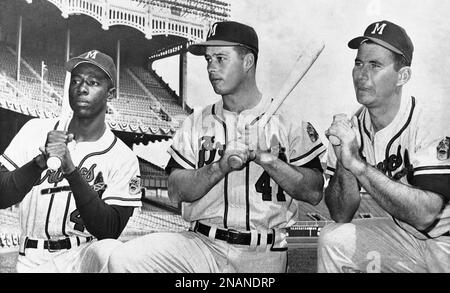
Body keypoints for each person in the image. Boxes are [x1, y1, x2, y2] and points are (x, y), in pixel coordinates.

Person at [108, 21, 326, 273]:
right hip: (202, 245)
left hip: (263, 253)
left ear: (247, 62)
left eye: (221, 58)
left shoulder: (289, 123)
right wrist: (220, 166)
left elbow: (313, 192)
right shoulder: (196, 123)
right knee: (125, 259)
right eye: (209, 59)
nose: (211, 67)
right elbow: (177, 191)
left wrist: (264, 157)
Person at [319, 20, 450, 273]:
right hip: (405, 237)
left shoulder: (431, 120)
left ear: (403, 76)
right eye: (358, 63)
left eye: (375, 65)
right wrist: (344, 165)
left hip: (446, 240)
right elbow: (340, 214)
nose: (361, 74)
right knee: (333, 239)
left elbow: (426, 214)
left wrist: (358, 164)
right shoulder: (352, 126)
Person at [0, 50, 142, 272]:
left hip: (82, 256)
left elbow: (110, 230)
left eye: (93, 82)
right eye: (76, 80)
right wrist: (38, 162)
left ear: (110, 94)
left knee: (110, 251)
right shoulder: (35, 129)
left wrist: (71, 170)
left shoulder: (123, 157)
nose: (82, 88)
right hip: (30, 256)